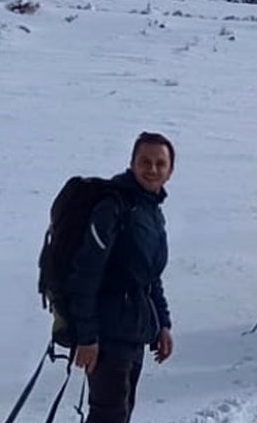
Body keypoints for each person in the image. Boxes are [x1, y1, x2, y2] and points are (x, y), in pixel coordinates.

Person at [66, 132, 176, 423]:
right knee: (109, 416)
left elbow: (150, 276)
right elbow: (85, 275)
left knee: (120, 412)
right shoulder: (112, 208)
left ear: (170, 171)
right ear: (132, 163)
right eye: (145, 161)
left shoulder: (151, 210)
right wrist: (87, 338)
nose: (152, 169)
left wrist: (162, 324)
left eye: (159, 163)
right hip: (107, 335)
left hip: (134, 333)